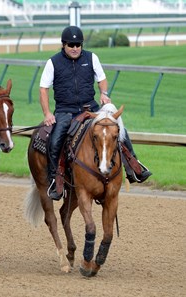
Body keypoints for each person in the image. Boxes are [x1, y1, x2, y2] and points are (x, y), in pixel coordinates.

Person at [39, 25, 152, 200]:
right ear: (63, 45)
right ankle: (55, 179)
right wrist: (47, 113)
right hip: (65, 111)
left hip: (90, 107)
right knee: (55, 141)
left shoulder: (92, 58)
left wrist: (104, 94)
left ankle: (134, 166)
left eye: (78, 44)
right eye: (71, 45)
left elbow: (102, 79)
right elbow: (43, 89)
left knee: (116, 127)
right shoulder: (52, 62)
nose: (75, 48)